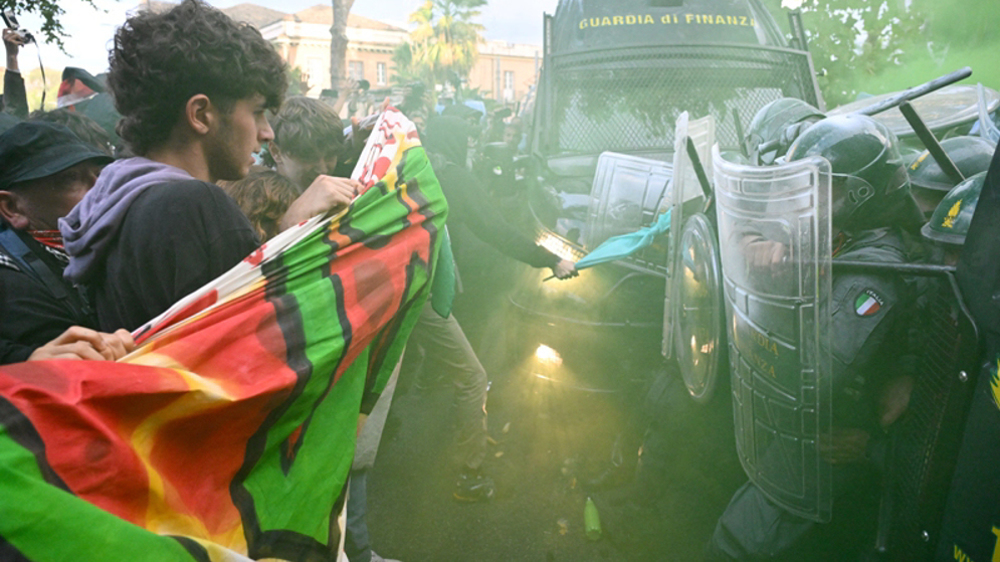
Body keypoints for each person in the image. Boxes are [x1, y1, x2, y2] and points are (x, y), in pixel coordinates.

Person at [58, 0, 360, 334]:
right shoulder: (198, 206)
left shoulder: (114, 200)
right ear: (201, 114)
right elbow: (258, 342)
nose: (267, 132)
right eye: (257, 112)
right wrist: (293, 234)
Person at [706, 114, 927, 561]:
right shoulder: (845, 234)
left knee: (739, 543)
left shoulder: (874, 276)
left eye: (822, 188)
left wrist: (770, 292)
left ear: (862, 195)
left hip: (829, 443)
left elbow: (813, 373)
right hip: (802, 432)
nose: (805, 199)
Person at [0, 120, 133, 363]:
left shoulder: (120, 245)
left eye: (100, 175)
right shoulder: (8, 280)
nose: (99, 189)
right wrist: (27, 361)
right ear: (12, 208)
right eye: (70, 179)